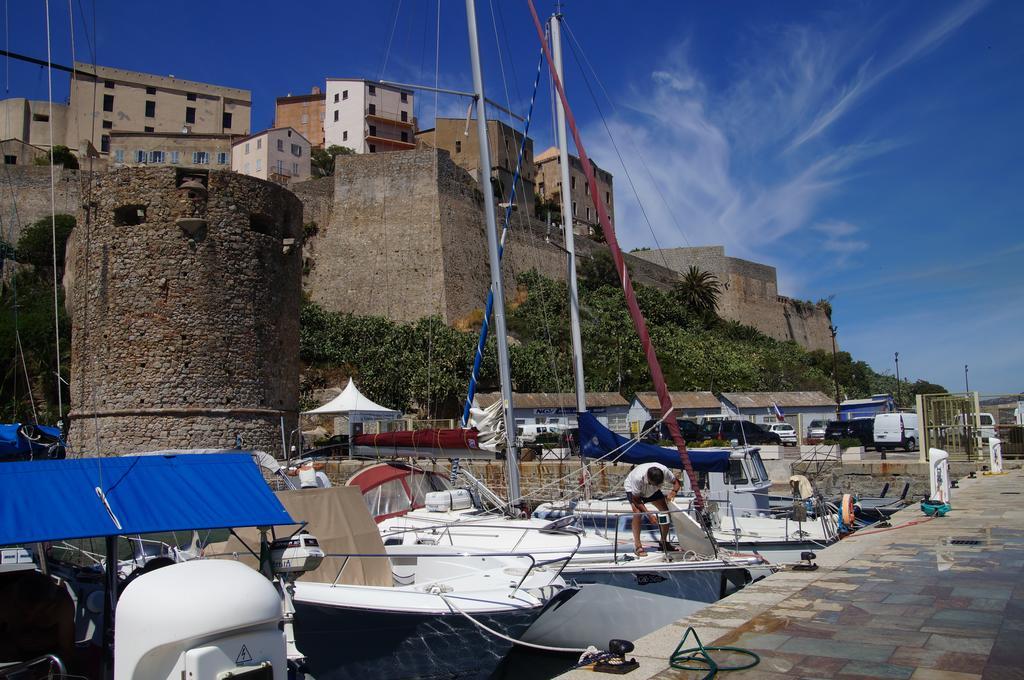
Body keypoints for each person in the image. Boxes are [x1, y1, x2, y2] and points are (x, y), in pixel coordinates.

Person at [624, 462, 681, 556]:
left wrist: (673, 492)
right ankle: (638, 546)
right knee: (638, 513)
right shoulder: (637, 478)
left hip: (652, 491)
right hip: (634, 490)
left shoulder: (664, 470)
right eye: (654, 484)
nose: (657, 485)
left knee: (665, 512)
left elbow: (677, 483)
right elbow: (637, 500)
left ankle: (663, 542)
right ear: (648, 479)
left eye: (659, 484)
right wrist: (649, 515)